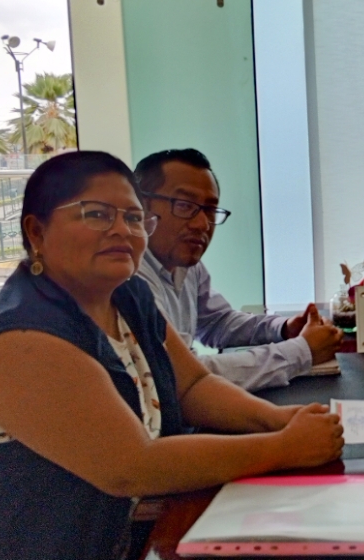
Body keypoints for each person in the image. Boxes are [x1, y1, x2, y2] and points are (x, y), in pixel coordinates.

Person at [0, 150, 343, 560]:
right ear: (36, 232)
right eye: (96, 214)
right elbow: (132, 467)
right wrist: (282, 448)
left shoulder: (127, 297)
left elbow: (193, 385)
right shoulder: (21, 340)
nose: (121, 230)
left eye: (132, 217)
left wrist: (279, 418)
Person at [134, 147, 342, 391]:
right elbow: (183, 376)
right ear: (140, 207)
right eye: (184, 205)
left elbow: (217, 322)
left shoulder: (187, 265)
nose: (202, 224)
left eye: (209, 210)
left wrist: (284, 329)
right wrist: (302, 351)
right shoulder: (130, 280)